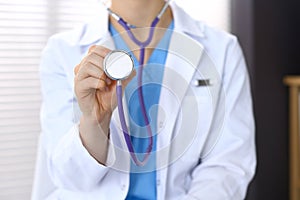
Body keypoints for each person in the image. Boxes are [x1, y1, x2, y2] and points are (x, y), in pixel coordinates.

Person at [33, 0, 256, 199]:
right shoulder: (63, 51)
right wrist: (94, 120)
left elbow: (228, 164)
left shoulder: (222, 49)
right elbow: (71, 178)